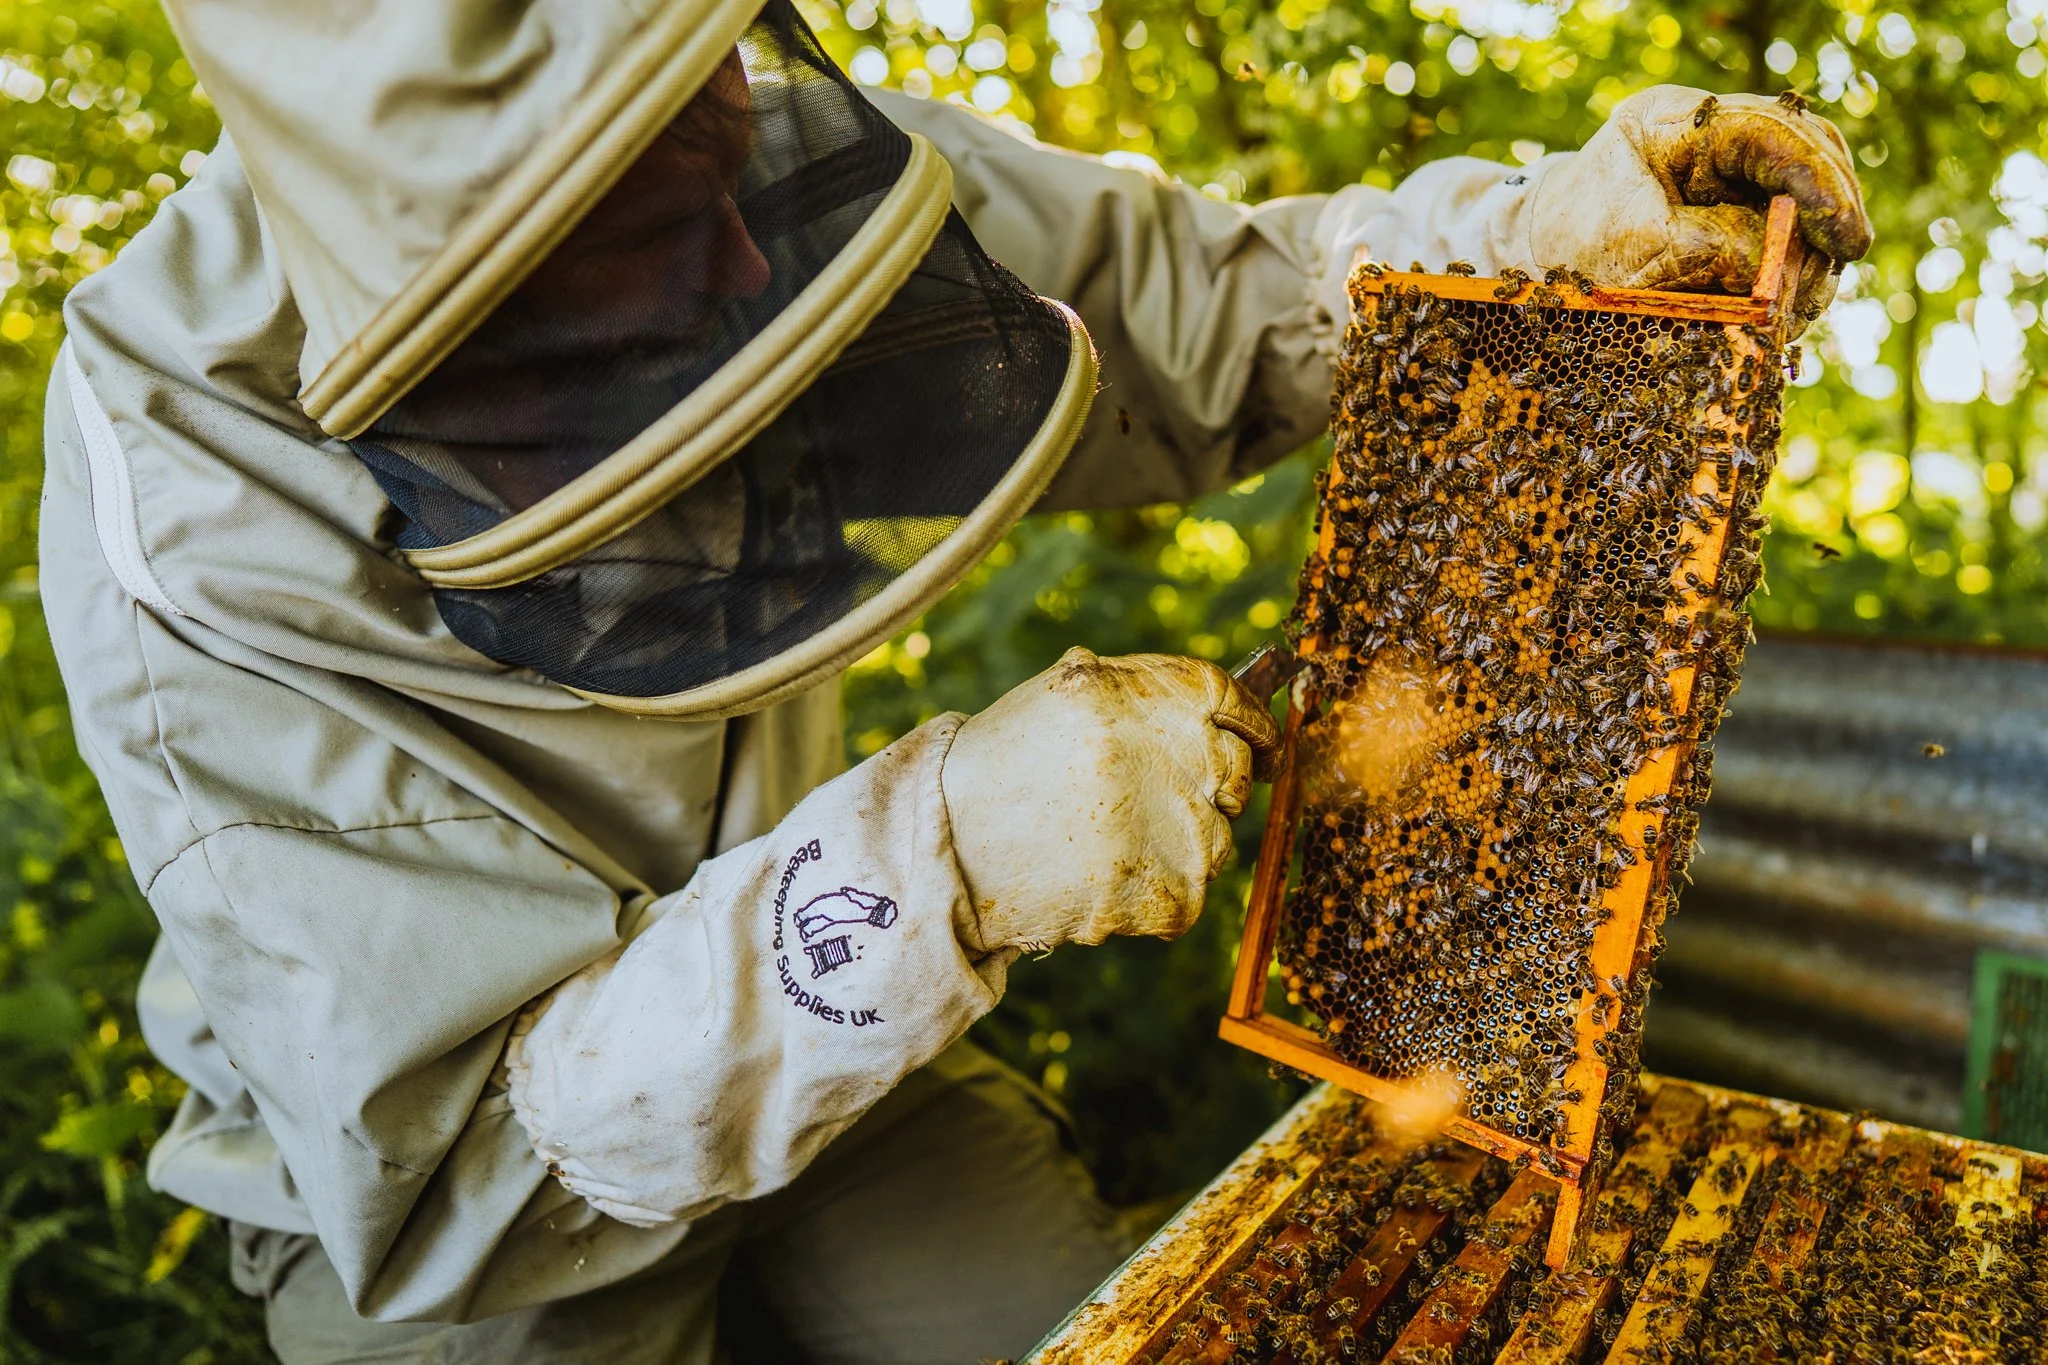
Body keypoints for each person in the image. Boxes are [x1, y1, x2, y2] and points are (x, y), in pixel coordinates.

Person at [42, 0, 1870, 1359]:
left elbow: (1181, 298)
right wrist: (952, 864)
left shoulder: (715, 135)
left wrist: (1532, 236)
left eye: (713, 139)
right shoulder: (186, 504)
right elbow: (458, 1168)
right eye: (665, 243)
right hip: (466, 1214)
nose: (757, 254)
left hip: (865, 1081)